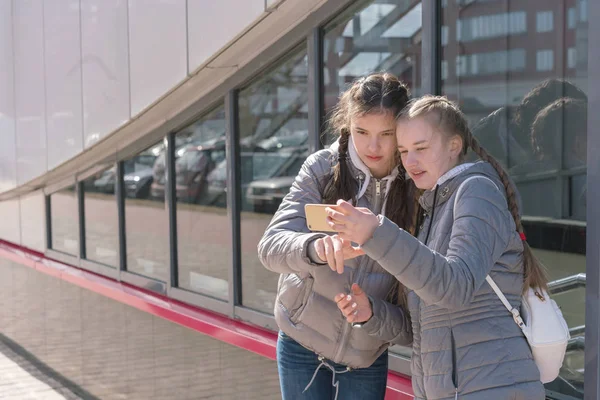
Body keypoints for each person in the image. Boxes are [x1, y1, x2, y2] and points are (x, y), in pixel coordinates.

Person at [326, 95, 548, 399]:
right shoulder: (435, 208)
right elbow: (424, 327)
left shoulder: (476, 191)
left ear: (454, 146)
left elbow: (455, 287)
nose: (410, 161)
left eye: (421, 148)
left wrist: (376, 233)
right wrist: (371, 314)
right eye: (403, 151)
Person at [257, 73, 418, 400]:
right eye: (362, 132)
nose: (373, 147)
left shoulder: (418, 187)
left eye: (386, 134)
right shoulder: (321, 168)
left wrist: (373, 314)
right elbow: (270, 248)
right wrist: (314, 247)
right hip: (300, 342)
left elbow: (417, 313)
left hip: (366, 356)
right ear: (347, 125)